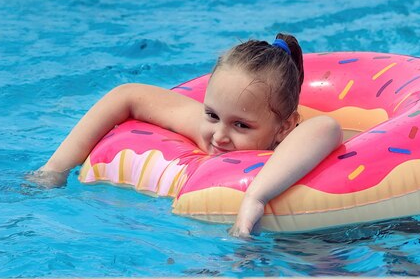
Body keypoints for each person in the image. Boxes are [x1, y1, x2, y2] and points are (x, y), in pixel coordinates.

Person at [29, 34, 343, 237]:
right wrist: (54, 170)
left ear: (284, 127)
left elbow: (327, 128)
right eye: (212, 115)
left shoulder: (291, 140)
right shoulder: (212, 129)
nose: (220, 136)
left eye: (241, 126)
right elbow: (127, 95)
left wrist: (255, 197)